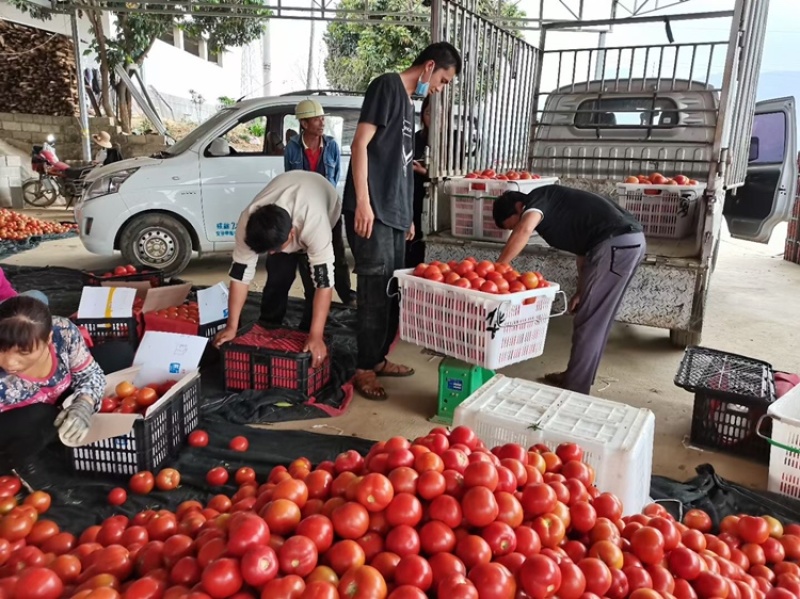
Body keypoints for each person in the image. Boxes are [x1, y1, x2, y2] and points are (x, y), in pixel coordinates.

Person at [343, 42, 462, 400]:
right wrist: (363, 203)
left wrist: (407, 215)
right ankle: (364, 368)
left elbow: (402, 166)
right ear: (429, 67)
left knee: (393, 293)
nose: (439, 88)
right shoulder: (386, 86)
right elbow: (359, 145)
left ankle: (378, 358)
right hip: (373, 213)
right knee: (374, 292)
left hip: (394, 216)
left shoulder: (410, 105)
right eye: (442, 79)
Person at [492, 185, 646, 395]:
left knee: (589, 322)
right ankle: (576, 376)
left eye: (514, 224)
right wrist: (581, 290)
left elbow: (524, 229)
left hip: (616, 244)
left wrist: (497, 268)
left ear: (520, 207)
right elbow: (583, 253)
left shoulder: (538, 198)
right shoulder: (556, 212)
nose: (515, 230)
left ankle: (575, 389)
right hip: (626, 244)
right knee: (597, 319)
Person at [213, 170, 342, 368]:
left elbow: (324, 283)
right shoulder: (248, 223)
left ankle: (310, 334)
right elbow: (240, 276)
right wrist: (231, 326)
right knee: (277, 278)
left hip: (323, 202)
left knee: (312, 284)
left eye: (276, 249)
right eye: (268, 251)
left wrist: (316, 336)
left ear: (292, 234)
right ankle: (269, 326)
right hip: (286, 211)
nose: (271, 254)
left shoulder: (315, 224)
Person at [0, 296, 106, 471]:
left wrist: (84, 404)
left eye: (24, 352)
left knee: (117, 355)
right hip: (16, 425)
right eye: (1, 349)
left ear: (48, 339)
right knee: (43, 416)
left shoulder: (62, 333)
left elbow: (90, 374)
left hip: (60, 400)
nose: (10, 363)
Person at [284, 99, 356, 314]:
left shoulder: (331, 145)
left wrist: (329, 205)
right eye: (317, 119)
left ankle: (346, 294)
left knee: (337, 254)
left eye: (322, 118)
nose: (322, 122)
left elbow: (333, 180)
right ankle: (312, 296)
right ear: (304, 124)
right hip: (303, 212)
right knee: (306, 255)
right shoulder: (292, 148)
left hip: (327, 209)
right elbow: (290, 179)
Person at [407, 95, 431, 268]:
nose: (432, 117)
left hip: (437, 203)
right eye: (428, 112)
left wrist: (426, 171)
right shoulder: (415, 138)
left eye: (438, 112)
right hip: (414, 199)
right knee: (412, 246)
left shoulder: (452, 140)